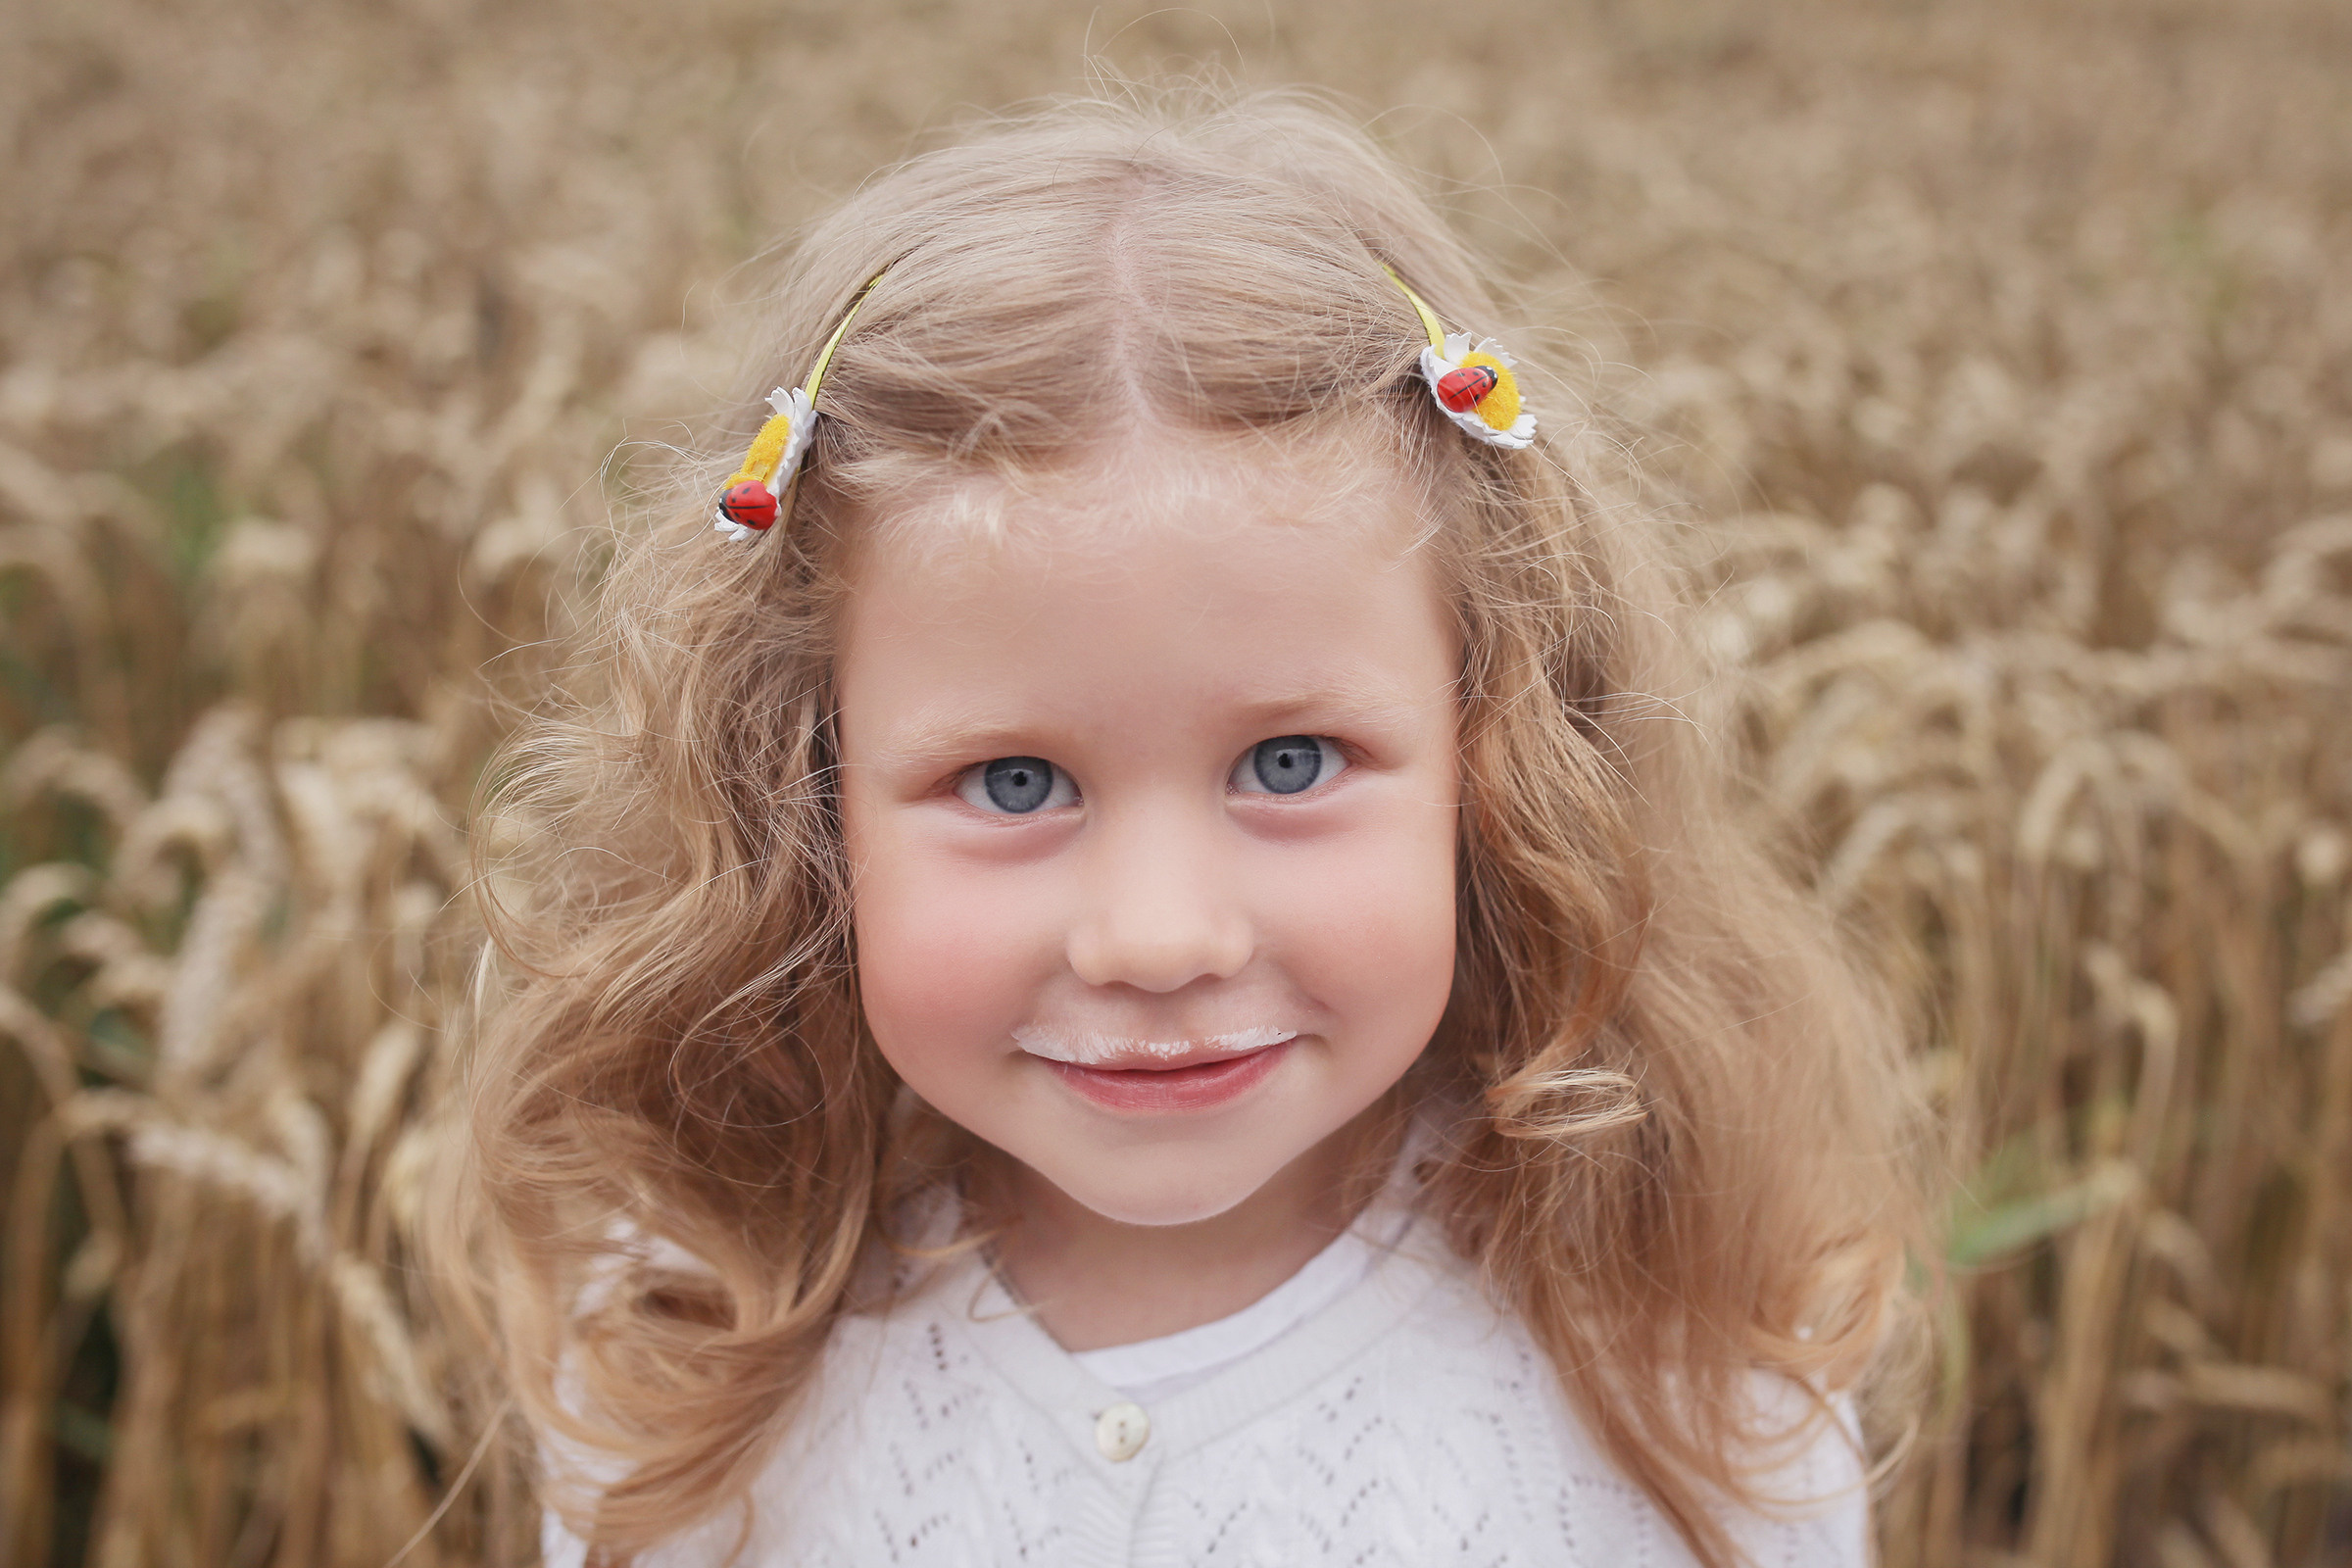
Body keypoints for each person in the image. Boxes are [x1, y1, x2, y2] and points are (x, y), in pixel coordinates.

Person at [447, 86, 1929, 1568]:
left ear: (1507, 757)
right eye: (1014, 784)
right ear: (798, 795)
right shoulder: (690, 1335)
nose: (1159, 939)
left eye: (1290, 763)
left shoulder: (1685, 1359)